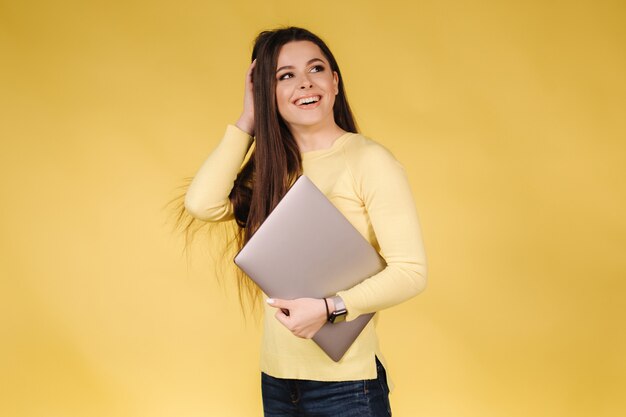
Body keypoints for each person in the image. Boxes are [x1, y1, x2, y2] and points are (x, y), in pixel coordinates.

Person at [183, 26, 427, 417]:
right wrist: (247, 119)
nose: (305, 83)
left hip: (347, 386)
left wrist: (331, 308)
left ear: (334, 81)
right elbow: (201, 204)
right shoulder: (271, 168)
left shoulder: (369, 160)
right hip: (278, 380)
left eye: (316, 69)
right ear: (268, 93)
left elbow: (412, 271)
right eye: (285, 76)